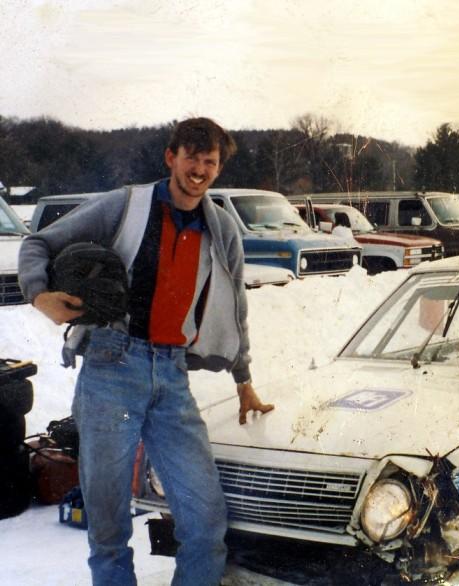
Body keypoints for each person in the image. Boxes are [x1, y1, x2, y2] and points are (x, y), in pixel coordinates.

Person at [18, 117, 275, 586]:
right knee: (109, 523)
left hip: (173, 376)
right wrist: (39, 294)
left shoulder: (221, 229)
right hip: (111, 367)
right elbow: (38, 242)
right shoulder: (127, 205)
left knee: (205, 521)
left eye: (210, 162)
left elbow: (236, 306)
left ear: (218, 168)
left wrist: (243, 379)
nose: (199, 169)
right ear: (170, 157)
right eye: (191, 158)